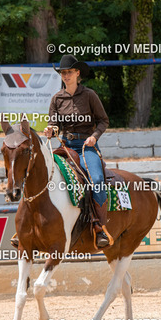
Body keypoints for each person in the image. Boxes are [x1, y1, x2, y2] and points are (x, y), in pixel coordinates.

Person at [44, 54, 111, 249]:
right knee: (42, 174)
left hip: (85, 146)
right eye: (63, 73)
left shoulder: (89, 95)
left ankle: (99, 227)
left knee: (96, 180)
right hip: (64, 146)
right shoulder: (56, 99)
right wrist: (50, 130)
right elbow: (54, 124)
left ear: (77, 73)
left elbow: (103, 120)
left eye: (69, 72)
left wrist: (95, 137)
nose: (66, 76)